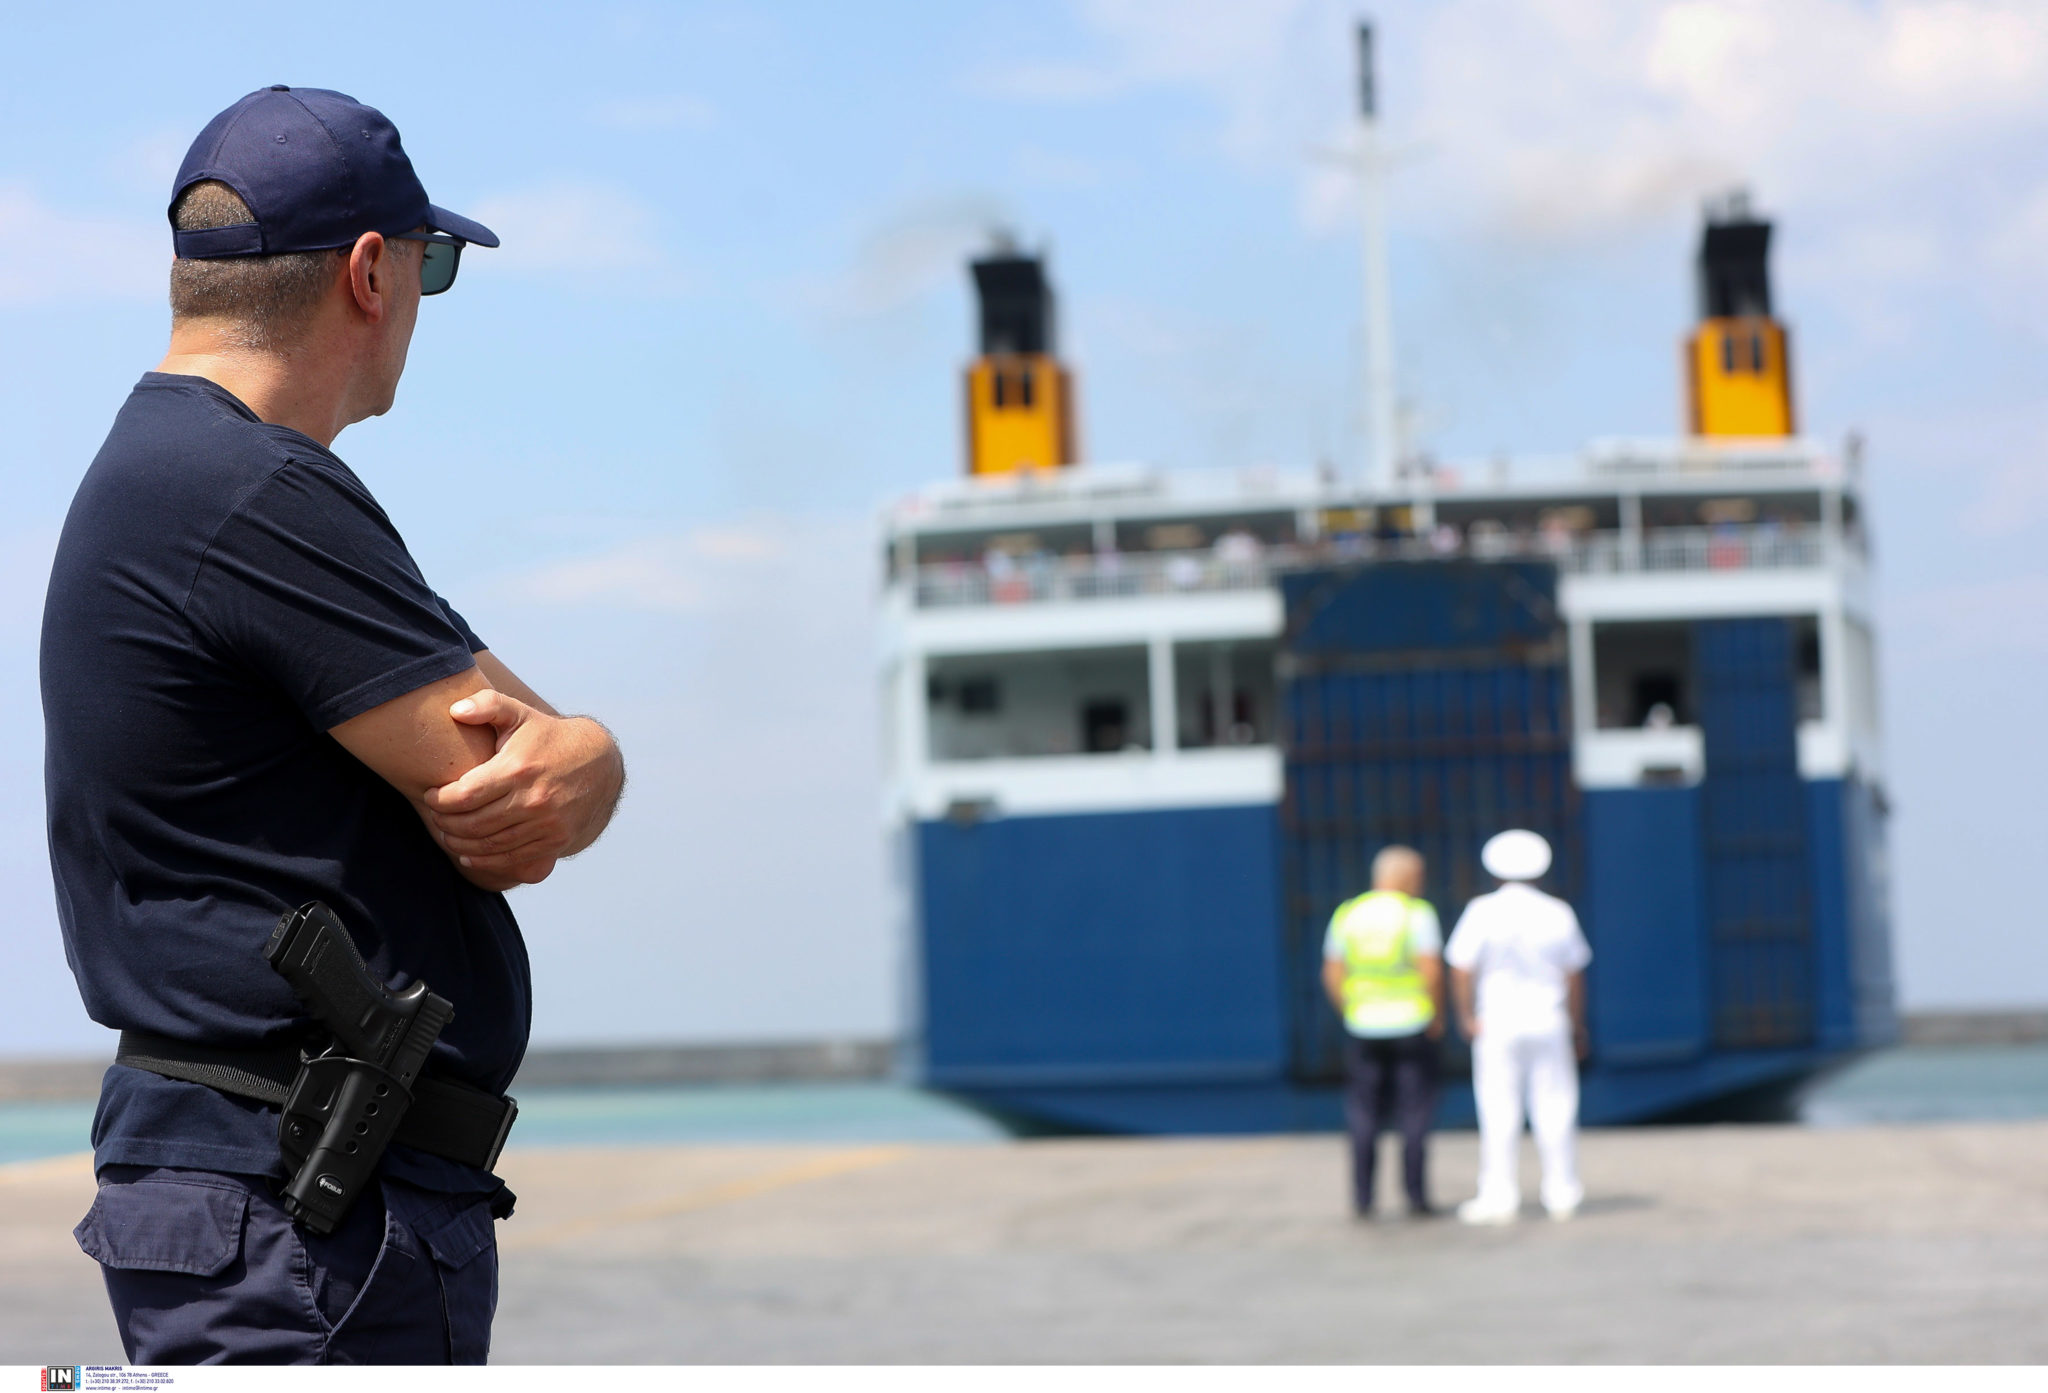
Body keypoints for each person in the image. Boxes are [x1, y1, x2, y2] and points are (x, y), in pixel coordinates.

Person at [41, 86, 627, 1363]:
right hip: (305, 1211)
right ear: (371, 271)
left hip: (262, 1187)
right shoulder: (249, 491)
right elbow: (516, 798)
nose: (421, 298)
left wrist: (589, 752)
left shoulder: (187, 474)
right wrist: (582, 758)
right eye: (430, 265)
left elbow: (544, 749)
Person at [1444, 830, 1592, 1225]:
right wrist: (1576, 1025)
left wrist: (1466, 1015)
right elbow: (1574, 974)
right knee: (1556, 1107)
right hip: (1549, 1019)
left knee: (1498, 1109)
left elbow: (1461, 968)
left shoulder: (1481, 911)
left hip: (1497, 1021)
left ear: (1494, 869)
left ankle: (1499, 1196)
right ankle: (1562, 1193)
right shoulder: (1558, 912)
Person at [1321, 845, 1445, 1219]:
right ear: (1406, 877)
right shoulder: (1417, 914)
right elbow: (1431, 971)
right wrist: (1436, 1015)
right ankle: (1416, 1197)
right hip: (1411, 1024)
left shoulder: (1348, 913)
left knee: (1363, 1114)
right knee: (1414, 1114)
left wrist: (1350, 1009)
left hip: (1363, 1025)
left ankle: (1363, 1199)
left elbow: (1333, 971)